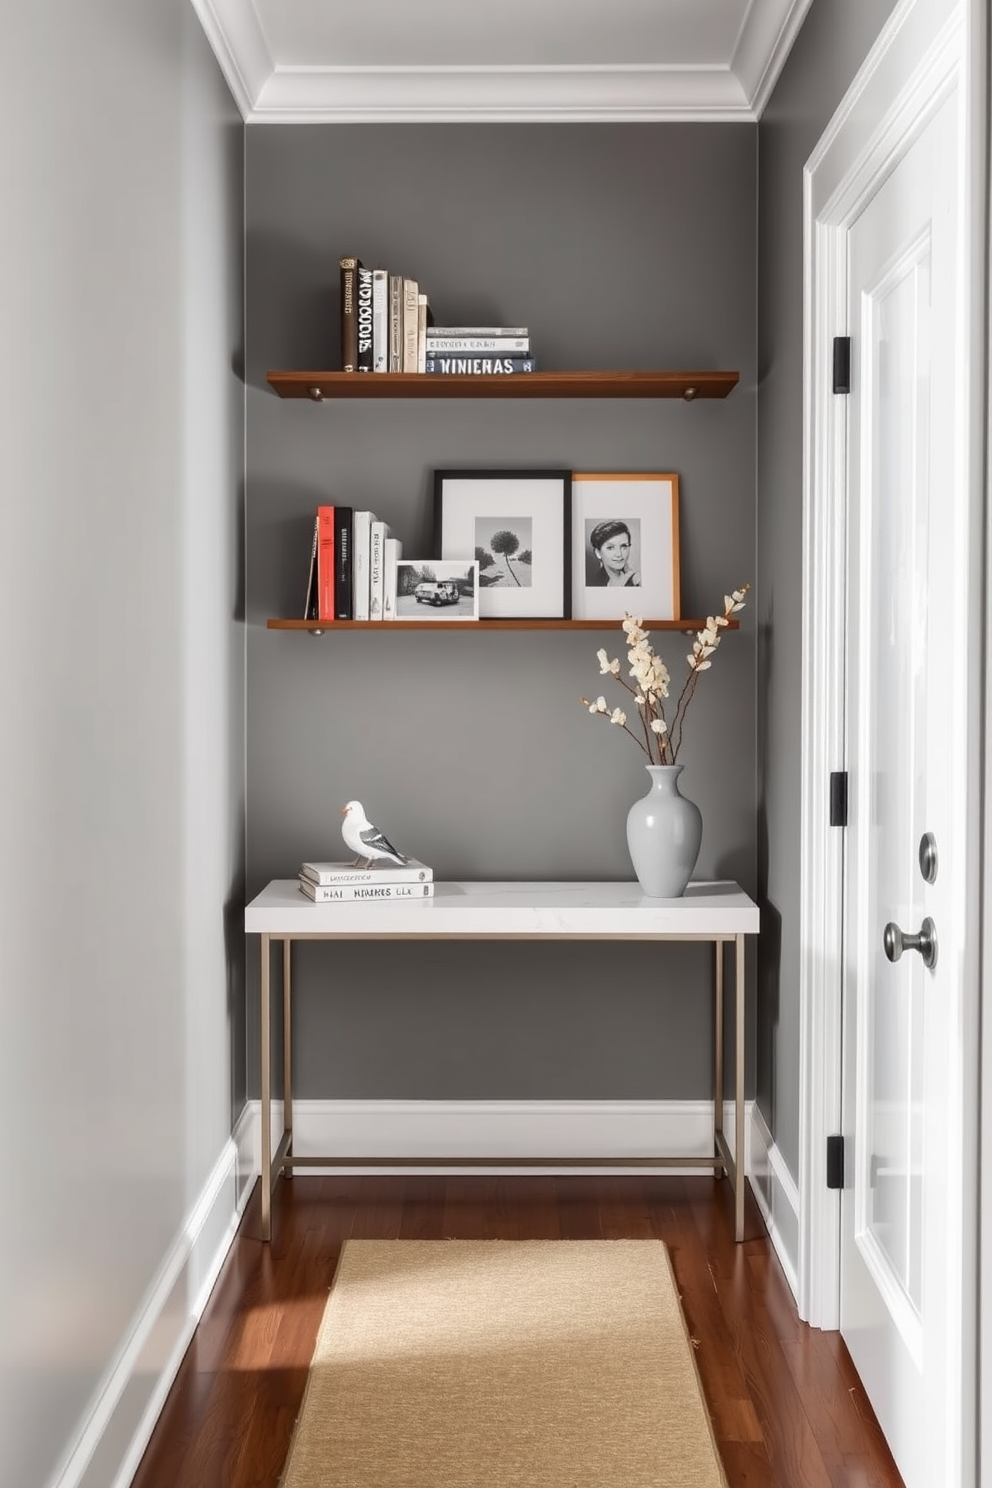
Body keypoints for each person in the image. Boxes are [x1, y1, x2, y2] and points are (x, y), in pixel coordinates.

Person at [588, 519, 640, 586]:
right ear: (598, 553)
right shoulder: (594, 583)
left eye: (623, 546)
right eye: (610, 548)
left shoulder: (637, 580)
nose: (619, 554)